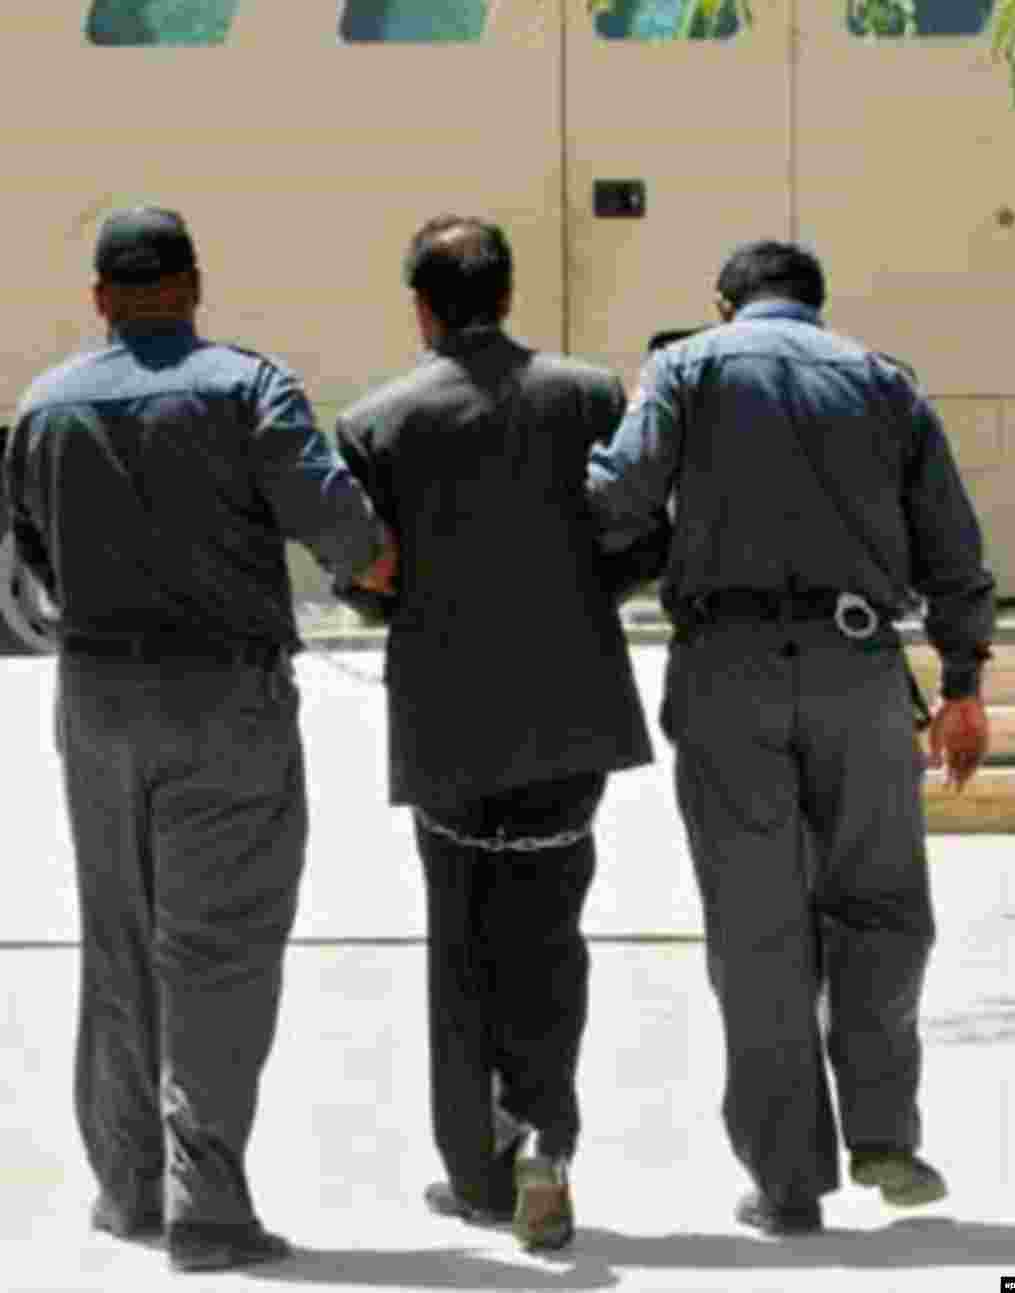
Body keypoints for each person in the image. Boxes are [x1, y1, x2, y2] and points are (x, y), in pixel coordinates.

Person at [3, 207, 395, 1273]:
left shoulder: (44, 403)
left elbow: (31, 561)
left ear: (99, 298)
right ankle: (207, 1206)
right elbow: (348, 541)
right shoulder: (247, 386)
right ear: (193, 283)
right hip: (225, 700)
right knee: (216, 951)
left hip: (94, 703)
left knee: (119, 941)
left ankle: (127, 1190)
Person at [587, 240, 994, 1236]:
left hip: (728, 677)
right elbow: (952, 546)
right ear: (816, 303)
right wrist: (963, 685)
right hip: (858, 673)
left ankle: (786, 1181)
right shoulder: (882, 382)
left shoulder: (687, 368)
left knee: (755, 927)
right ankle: (886, 1132)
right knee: (881, 908)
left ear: (723, 303)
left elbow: (617, 498)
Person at [335, 215, 654, 1251]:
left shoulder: (378, 422)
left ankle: (476, 1172)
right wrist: (580, 594)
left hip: (446, 717)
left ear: (420, 304)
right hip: (572, 713)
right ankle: (547, 1146)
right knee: (550, 937)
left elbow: (362, 578)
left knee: (461, 945)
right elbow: (644, 536)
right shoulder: (592, 397)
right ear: (509, 294)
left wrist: (419, 614)